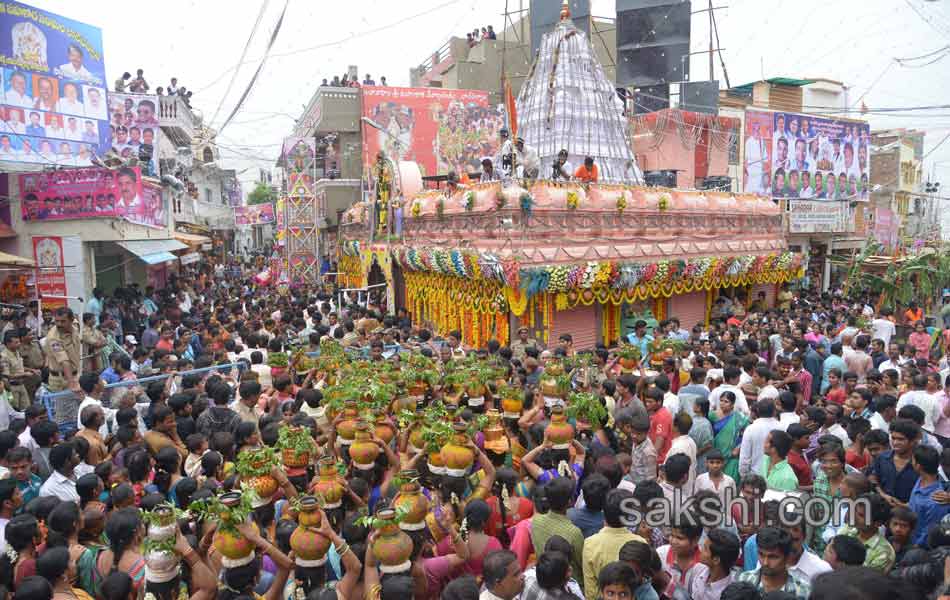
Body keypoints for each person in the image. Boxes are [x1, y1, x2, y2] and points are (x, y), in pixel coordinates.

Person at [735, 527, 811, 598]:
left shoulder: (803, 592)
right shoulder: (743, 580)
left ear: (787, 558)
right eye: (761, 554)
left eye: (773, 557)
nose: (765, 563)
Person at [691, 528, 741, 600]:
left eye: (705, 548)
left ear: (716, 560)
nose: (701, 549)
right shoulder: (698, 570)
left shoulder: (730, 593)